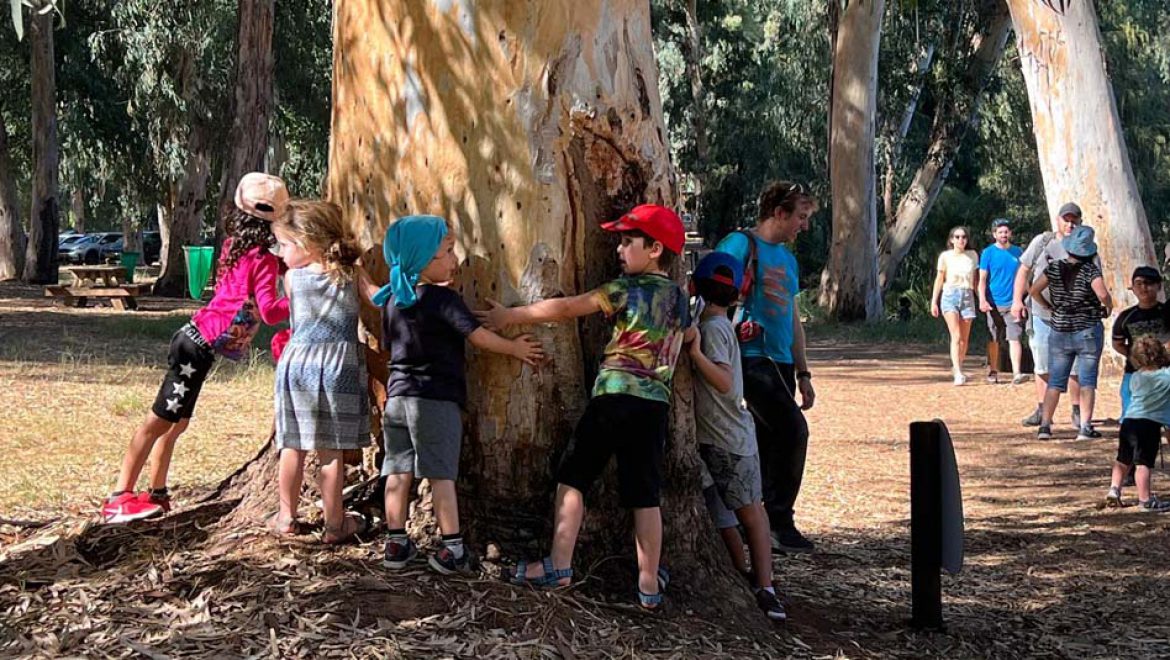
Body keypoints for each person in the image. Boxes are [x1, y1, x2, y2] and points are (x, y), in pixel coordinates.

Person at [480, 204, 690, 609]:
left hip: (611, 398)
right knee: (645, 496)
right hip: (652, 408)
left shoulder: (623, 290)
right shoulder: (680, 299)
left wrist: (511, 316)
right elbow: (689, 335)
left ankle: (559, 567)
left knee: (573, 478)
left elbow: (567, 308)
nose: (619, 249)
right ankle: (648, 585)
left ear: (655, 249)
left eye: (629, 241)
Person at [99, 173, 291, 524]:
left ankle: (157, 491)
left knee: (176, 424)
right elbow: (268, 309)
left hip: (195, 342)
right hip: (196, 348)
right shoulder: (262, 259)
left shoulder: (236, 246)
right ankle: (119, 494)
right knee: (158, 421)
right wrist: (299, 298)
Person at [378, 216, 544, 575]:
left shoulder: (391, 301)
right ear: (421, 260)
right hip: (434, 400)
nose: (456, 260)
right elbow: (478, 337)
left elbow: (388, 347)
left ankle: (395, 541)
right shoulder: (443, 299)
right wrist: (513, 348)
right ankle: (452, 547)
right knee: (440, 475)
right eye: (448, 252)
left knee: (397, 470)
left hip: (397, 401)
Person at [269, 200, 380, 542]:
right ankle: (336, 524)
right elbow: (379, 299)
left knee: (292, 446)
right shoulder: (351, 273)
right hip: (338, 368)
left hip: (297, 365)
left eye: (284, 245)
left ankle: (286, 516)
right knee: (331, 450)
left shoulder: (291, 279)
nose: (280, 252)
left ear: (309, 242)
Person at [715, 181, 817, 554]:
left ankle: (750, 522)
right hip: (750, 358)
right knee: (794, 430)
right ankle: (778, 520)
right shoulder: (741, 245)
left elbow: (793, 318)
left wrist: (803, 373)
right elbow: (711, 292)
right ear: (779, 213)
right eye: (800, 218)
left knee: (766, 441)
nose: (803, 227)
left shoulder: (789, 261)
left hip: (782, 363)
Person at [688, 252, 785, 621]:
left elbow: (725, 382)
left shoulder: (711, 329)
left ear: (697, 285)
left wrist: (695, 354)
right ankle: (745, 573)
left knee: (749, 515)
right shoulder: (712, 321)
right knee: (723, 513)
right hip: (716, 439)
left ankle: (766, 585)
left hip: (728, 440)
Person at [1012, 203, 1097, 428]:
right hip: (1042, 315)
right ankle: (1042, 410)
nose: (1070, 224)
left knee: (1077, 365)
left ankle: (1077, 411)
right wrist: (1016, 301)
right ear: (1057, 220)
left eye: (1074, 220)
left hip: (1074, 318)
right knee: (1042, 362)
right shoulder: (1043, 242)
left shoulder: (1086, 247)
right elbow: (1024, 270)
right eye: (1066, 219)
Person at [1028, 224, 1112, 440]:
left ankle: (1045, 426)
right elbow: (1102, 294)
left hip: (1059, 329)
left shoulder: (1054, 268)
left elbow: (1033, 290)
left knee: (1055, 381)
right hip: (1087, 330)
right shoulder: (1090, 270)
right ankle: (1085, 427)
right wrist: (1109, 307)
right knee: (1087, 380)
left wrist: (1047, 306)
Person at [1104, 335, 1170, 512]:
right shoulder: (1167, 376)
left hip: (1129, 422)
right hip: (1148, 426)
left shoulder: (1134, 377)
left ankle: (1114, 490)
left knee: (1123, 459)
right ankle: (1145, 500)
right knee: (1144, 463)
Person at [1112, 266, 1170, 416]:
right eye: (1139, 283)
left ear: (1159, 286)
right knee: (1130, 414)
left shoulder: (1166, 312)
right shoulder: (1125, 317)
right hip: (1134, 372)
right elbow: (1117, 343)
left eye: (1149, 283)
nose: (1144, 287)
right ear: (1132, 287)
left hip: (1166, 372)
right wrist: (1136, 356)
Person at [931, 226, 981, 385]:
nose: (961, 240)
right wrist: (934, 301)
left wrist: (982, 299)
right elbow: (939, 279)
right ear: (951, 239)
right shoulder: (945, 256)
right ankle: (958, 373)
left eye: (964, 237)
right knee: (956, 336)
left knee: (965, 340)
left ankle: (958, 365)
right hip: (950, 295)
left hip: (967, 295)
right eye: (957, 237)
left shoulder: (972, 255)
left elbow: (976, 279)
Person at [978, 218, 1026, 384]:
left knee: (1015, 337)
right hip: (993, 303)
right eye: (1000, 232)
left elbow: (1024, 277)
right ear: (994, 234)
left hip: (1013, 303)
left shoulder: (1018, 252)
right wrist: (982, 300)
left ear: (1010, 233)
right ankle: (993, 372)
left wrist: (1021, 300)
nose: (1004, 234)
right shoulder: (988, 253)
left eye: (1006, 232)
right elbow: (982, 279)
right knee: (994, 338)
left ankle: (1017, 373)